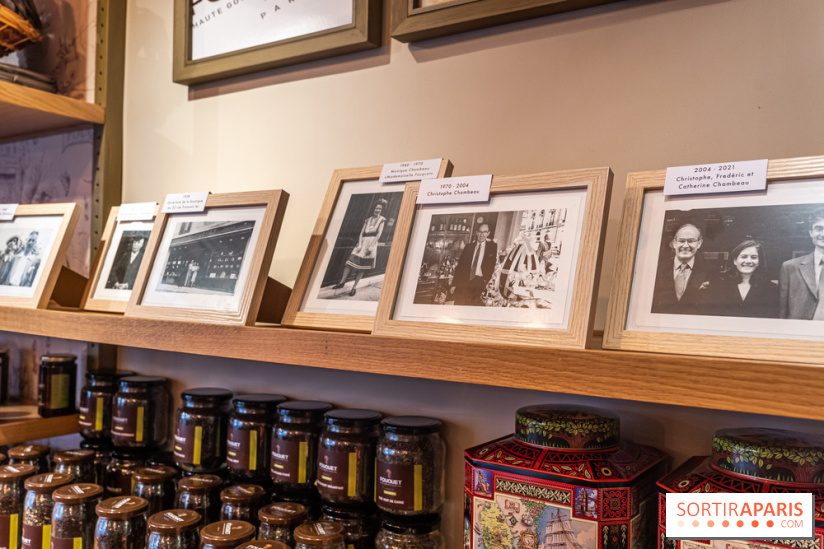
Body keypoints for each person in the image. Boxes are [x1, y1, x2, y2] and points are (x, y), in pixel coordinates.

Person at [706, 239, 778, 318]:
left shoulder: (770, 288)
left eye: (753, 257)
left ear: (759, 262)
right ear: (735, 260)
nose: (748, 261)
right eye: (744, 257)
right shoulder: (718, 285)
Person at [651, 223, 713, 314]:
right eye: (681, 241)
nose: (685, 245)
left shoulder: (711, 272)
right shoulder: (657, 270)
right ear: (674, 243)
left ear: (699, 243)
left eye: (691, 241)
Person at [332, 199, 387, 296]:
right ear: (373, 208)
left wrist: (371, 246)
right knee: (348, 263)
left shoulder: (382, 220)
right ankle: (342, 282)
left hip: (371, 244)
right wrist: (360, 244)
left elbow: (379, 234)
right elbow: (361, 233)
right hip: (362, 242)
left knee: (362, 267)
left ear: (381, 210)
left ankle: (354, 288)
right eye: (376, 208)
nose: (377, 210)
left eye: (379, 209)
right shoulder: (367, 220)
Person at [779, 208, 824, 320]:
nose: (823, 234)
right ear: (811, 232)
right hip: (799, 329)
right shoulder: (790, 267)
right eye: (819, 229)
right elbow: (782, 311)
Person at [451, 223, 498, 306]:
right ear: (476, 232)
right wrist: (454, 284)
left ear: (488, 233)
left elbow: (492, 266)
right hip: (465, 281)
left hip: (480, 283)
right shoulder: (468, 247)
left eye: (484, 232)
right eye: (480, 231)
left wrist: (486, 281)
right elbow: (460, 267)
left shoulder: (492, 247)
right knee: (460, 305)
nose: (481, 234)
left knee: (474, 307)